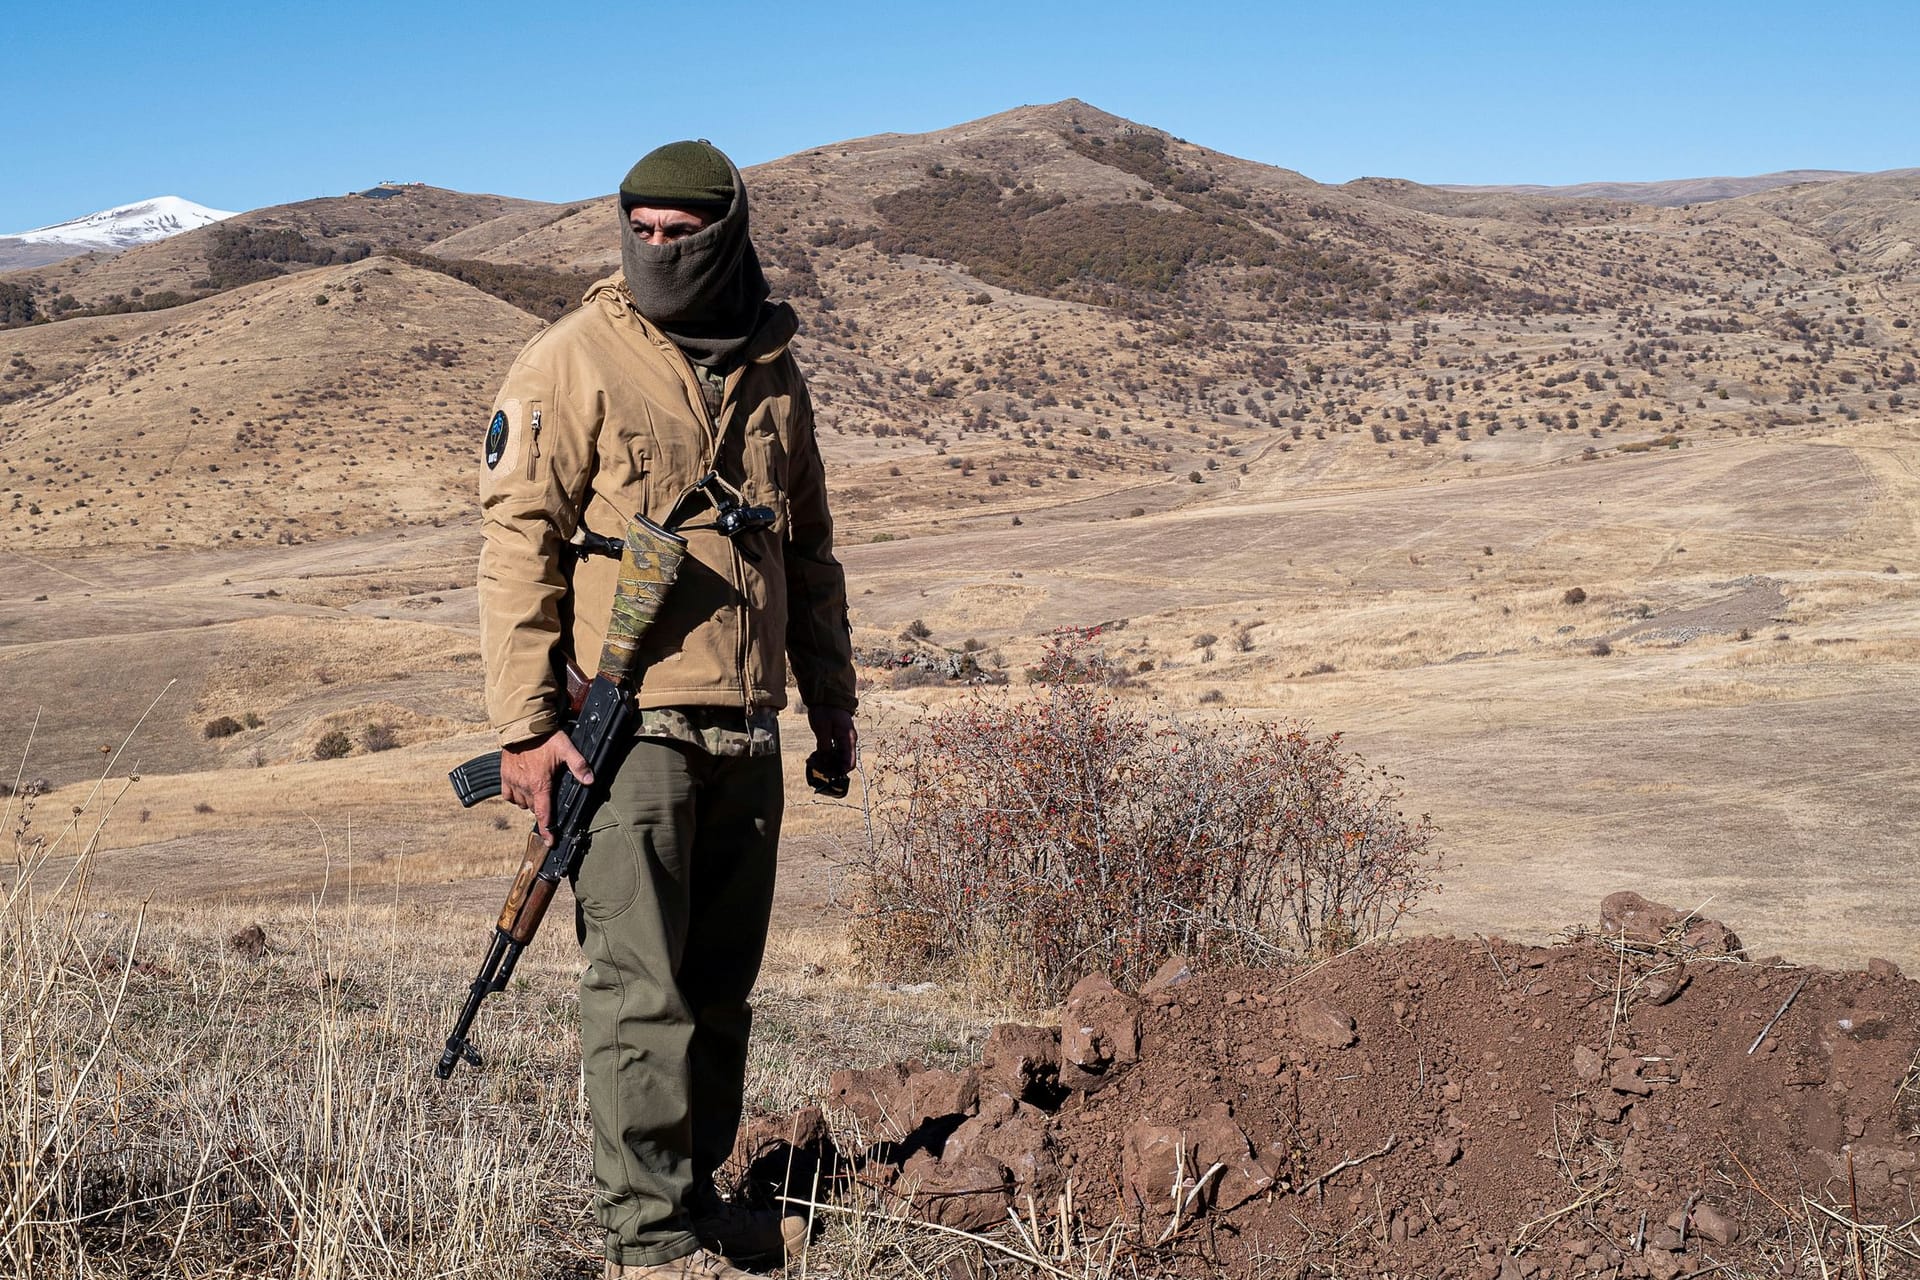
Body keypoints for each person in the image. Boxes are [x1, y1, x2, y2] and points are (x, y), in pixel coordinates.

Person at [476, 140, 858, 1279]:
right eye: (638, 229)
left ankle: (696, 1200)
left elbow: (813, 550)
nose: (658, 248)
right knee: (639, 989)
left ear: (726, 229)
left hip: (748, 726)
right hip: (628, 730)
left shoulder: (773, 369)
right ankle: (648, 1241)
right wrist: (524, 728)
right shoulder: (571, 360)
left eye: (679, 230)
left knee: (717, 988)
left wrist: (831, 701)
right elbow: (518, 548)